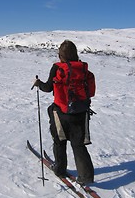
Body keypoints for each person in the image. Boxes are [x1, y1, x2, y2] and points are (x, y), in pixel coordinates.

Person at [33, 40, 95, 185]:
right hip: (81, 112)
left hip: (60, 112)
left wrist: (38, 83)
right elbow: (90, 92)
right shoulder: (84, 70)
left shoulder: (57, 68)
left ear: (60, 55)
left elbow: (48, 88)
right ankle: (86, 177)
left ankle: (60, 169)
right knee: (78, 144)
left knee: (59, 141)